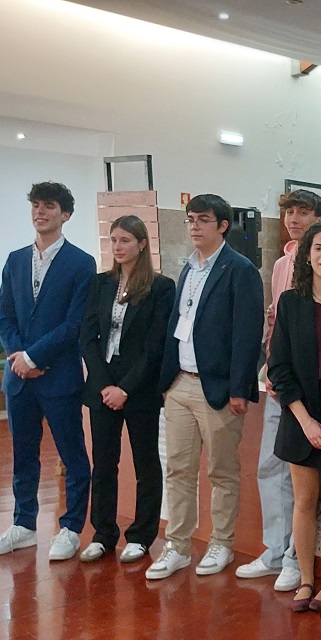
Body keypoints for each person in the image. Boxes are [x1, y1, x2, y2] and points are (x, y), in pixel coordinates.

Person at [148, 194, 264, 580]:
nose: (194, 226)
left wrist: (239, 388)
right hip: (180, 383)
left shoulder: (240, 269)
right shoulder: (188, 268)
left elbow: (247, 334)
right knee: (178, 469)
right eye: (190, 219)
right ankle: (178, 545)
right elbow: (177, 324)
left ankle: (222, 543)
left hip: (217, 388)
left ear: (223, 225)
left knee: (221, 472)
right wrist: (167, 382)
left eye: (203, 220)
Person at [236, 189, 321, 592]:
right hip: (280, 381)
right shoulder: (281, 263)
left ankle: (295, 558)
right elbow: (275, 324)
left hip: (313, 387)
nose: (294, 219)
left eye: (303, 212)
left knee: (305, 480)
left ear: (319, 218)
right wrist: (271, 368)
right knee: (270, 467)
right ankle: (274, 550)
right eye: (289, 212)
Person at [0, 181, 96, 561]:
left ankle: (70, 528)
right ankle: (24, 524)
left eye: (50, 206)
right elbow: (5, 316)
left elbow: (74, 324)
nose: (41, 212)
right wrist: (19, 357)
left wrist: (35, 357)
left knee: (73, 456)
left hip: (59, 376)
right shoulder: (15, 260)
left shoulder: (81, 263)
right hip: (19, 378)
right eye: (36, 205)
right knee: (23, 455)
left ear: (65, 214)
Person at [78, 215, 176, 563]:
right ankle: (103, 534)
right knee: (104, 462)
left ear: (142, 244)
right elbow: (88, 337)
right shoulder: (100, 283)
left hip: (140, 386)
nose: (118, 247)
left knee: (145, 462)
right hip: (103, 382)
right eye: (114, 240)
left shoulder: (161, 287)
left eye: (125, 240)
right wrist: (104, 383)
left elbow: (155, 346)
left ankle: (141, 535)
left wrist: (126, 388)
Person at [267, 221, 321, 613]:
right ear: (306, 255)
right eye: (318, 248)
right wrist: (305, 422)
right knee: (304, 500)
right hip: (299, 413)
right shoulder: (290, 302)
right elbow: (279, 368)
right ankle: (305, 579)